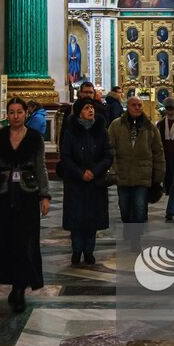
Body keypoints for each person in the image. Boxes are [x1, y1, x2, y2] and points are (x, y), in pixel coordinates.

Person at [0, 98, 51, 312]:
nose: (16, 116)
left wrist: (44, 195)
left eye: (19, 112)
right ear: (7, 115)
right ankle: (11, 282)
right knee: (5, 239)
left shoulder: (35, 138)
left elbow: (41, 167)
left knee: (25, 241)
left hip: (27, 193)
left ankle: (20, 287)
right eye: (12, 112)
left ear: (25, 114)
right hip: (3, 194)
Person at [58, 97, 113, 266]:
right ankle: (76, 251)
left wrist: (95, 171)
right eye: (87, 108)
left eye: (92, 107)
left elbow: (108, 155)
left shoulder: (101, 131)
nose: (91, 110)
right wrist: (80, 172)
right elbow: (66, 156)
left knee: (92, 219)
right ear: (79, 112)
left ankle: (89, 251)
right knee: (76, 219)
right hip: (76, 182)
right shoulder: (70, 132)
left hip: (95, 182)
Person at [107, 95, 164, 247]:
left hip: (143, 175)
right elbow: (110, 149)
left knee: (139, 208)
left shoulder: (150, 127)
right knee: (124, 207)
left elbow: (158, 152)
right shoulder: (116, 125)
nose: (137, 108)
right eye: (134, 105)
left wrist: (158, 176)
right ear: (128, 106)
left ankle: (135, 238)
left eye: (139, 105)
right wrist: (114, 169)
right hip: (123, 174)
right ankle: (128, 228)